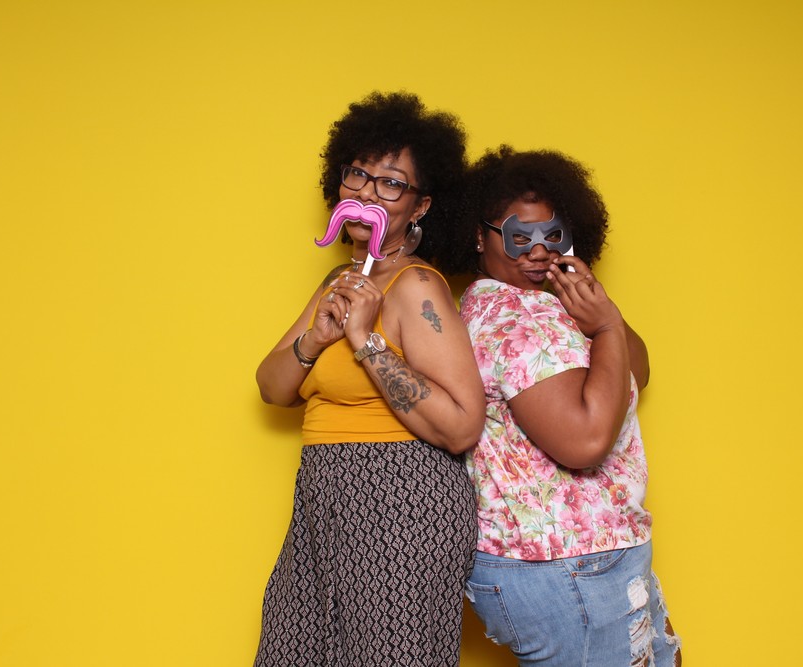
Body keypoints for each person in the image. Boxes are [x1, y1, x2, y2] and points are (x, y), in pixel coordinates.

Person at [252, 92, 485, 667]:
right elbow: (272, 387)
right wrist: (317, 338)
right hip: (322, 495)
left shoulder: (417, 288)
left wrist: (364, 339)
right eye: (357, 174)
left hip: (401, 498)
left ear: (421, 205)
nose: (367, 193)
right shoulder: (340, 281)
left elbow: (461, 426)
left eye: (391, 183)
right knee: (292, 651)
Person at [445, 146, 682, 666]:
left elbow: (636, 372)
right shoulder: (514, 319)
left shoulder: (546, 304)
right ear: (480, 236)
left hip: (588, 554)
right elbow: (585, 442)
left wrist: (602, 312)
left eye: (553, 235)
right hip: (566, 565)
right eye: (519, 236)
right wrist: (604, 325)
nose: (538, 251)